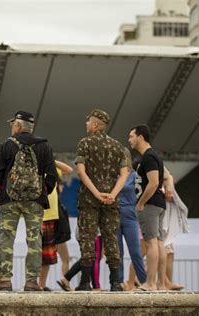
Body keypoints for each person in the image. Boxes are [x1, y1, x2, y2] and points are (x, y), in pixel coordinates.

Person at [0, 110, 56, 291]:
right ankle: (32, 282)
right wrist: (42, 191)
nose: (11, 127)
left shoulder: (6, 146)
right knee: (34, 239)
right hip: (35, 201)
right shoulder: (44, 146)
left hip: (9, 200)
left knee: (6, 238)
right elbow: (52, 176)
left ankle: (4, 281)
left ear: (18, 126)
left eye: (13, 124)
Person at [74, 109, 128, 291]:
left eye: (88, 121)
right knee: (111, 238)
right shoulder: (118, 146)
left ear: (95, 125)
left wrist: (97, 193)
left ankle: (85, 282)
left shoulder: (84, 143)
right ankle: (115, 282)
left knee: (87, 238)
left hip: (89, 199)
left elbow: (81, 172)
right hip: (112, 201)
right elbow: (124, 175)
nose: (86, 124)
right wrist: (112, 194)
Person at [128, 124, 167, 291]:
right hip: (158, 203)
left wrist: (141, 202)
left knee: (151, 243)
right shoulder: (152, 156)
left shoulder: (148, 157)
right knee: (158, 243)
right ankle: (161, 284)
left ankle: (151, 283)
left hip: (151, 204)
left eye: (131, 136)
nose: (129, 140)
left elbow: (154, 183)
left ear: (140, 137)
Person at [39, 160, 73, 291]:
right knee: (44, 255)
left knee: (52, 255)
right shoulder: (35, 171)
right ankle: (40, 284)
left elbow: (69, 170)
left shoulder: (52, 170)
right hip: (44, 216)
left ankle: (53, 283)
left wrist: (52, 160)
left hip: (55, 216)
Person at [117, 148, 147, 289]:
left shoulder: (135, 175)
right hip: (114, 215)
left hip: (131, 215)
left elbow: (143, 192)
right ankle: (118, 282)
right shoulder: (112, 176)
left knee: (135, 251)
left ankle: (145, 281)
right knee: (118, 253)